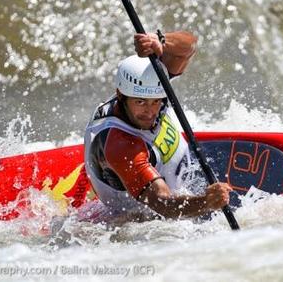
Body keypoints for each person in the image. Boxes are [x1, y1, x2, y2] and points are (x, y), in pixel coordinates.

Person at [83, 30, 232, 220]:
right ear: (120, 95)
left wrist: (161, 42)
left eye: (156, 101)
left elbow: (189, 46)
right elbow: (163, 204)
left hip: (183, 177)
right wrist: (207, 202)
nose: (150, 112)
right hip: (143, 221)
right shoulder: (121, 145)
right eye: (140, 102)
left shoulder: (151, 87)